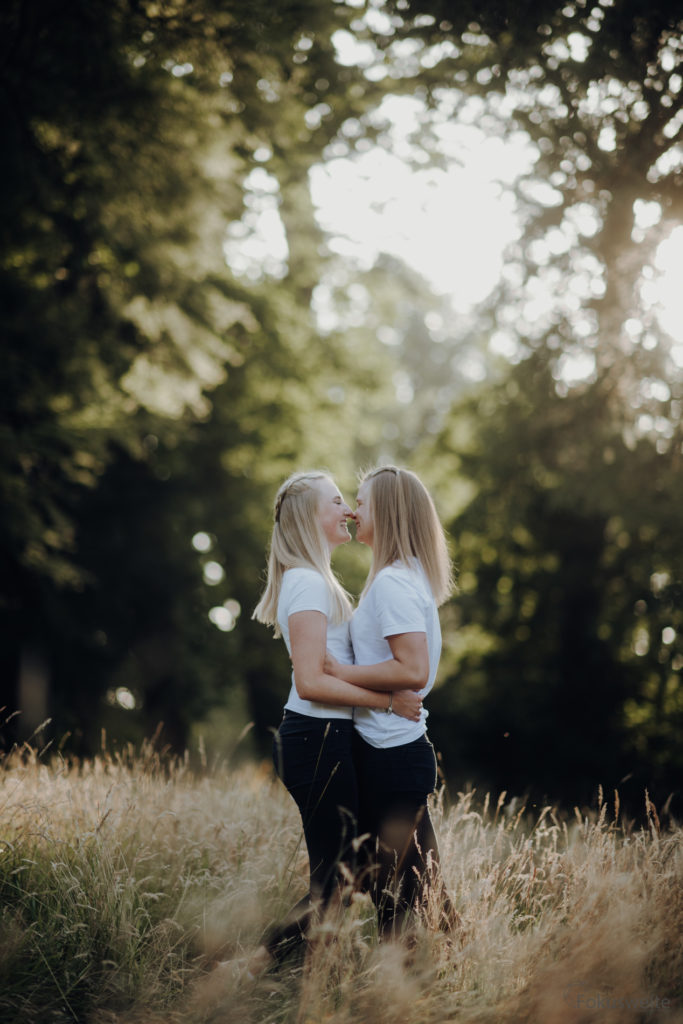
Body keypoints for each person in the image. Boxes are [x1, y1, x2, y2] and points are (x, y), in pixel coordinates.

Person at [251, 470, 422, 964]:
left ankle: (339, 967)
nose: (349, 510)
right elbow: (310, 682)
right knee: (336, 878)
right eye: (337, 501)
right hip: (315, 739)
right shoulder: (306, 582)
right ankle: (256, 967)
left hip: (326, 738)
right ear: (310, 516)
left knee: (349, 871)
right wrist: (388, 702)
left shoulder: (314, 579)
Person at [324, 465, 458, 940]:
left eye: (361, 502)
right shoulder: (402, 576)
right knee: (418, 895)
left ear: (387, 511)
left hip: (391, 756)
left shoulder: (393, 583)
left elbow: (413, 669)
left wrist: (338, 672)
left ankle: (265, 963)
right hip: (393, 752)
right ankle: (456, 967)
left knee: (402, 899)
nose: (353, 511)